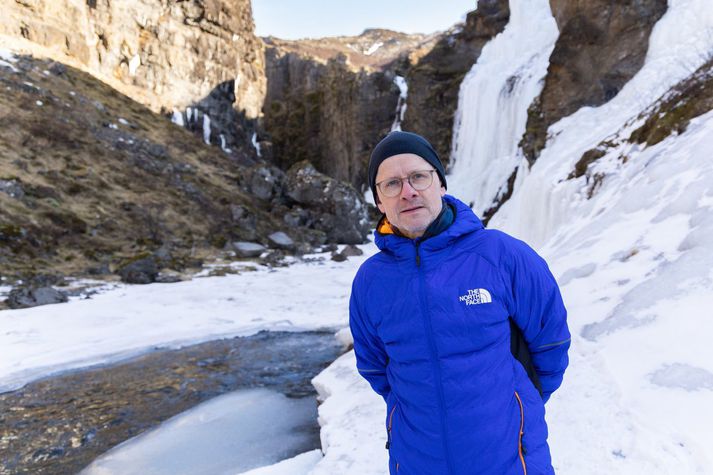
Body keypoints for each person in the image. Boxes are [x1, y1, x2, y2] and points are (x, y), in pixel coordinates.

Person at [349, 131, 570, 475]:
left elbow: (551, 341)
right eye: (391, 184)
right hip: (417, 460)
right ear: (379, 201)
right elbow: (375, 367)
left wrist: (516, 403)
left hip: (510, 459)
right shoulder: (370, 281)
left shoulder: (502, 255)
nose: (408, 192)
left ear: (441, 184)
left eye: (418, 177)